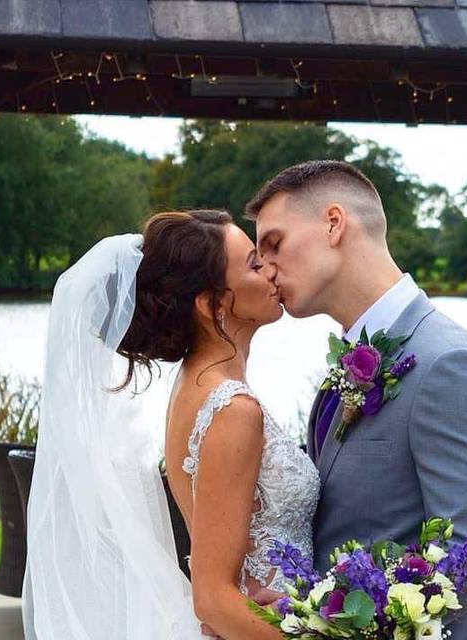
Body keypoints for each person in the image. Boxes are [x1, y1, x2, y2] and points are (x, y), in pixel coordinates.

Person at [248, 160, 467, 640]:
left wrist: (322, 620)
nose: (265, 267)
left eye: (274, 243)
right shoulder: (352, 361)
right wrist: (299, 605)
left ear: (334, 223)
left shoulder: (453, 365)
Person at [22, 210, 319, 639]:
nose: (271, 271)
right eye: (254, 265)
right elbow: (213, 599)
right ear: (211, 303)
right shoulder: (232, 408)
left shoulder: (194, 384)